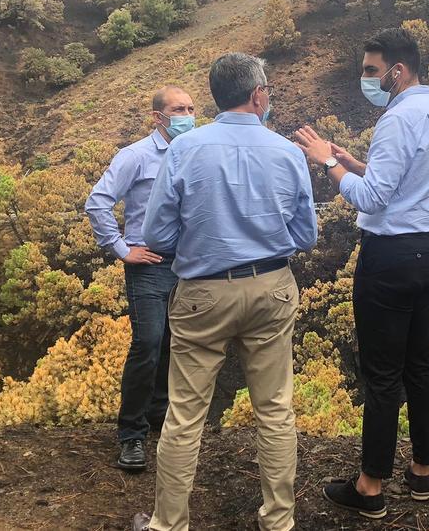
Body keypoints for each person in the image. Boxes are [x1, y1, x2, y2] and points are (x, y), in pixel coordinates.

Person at [133, 52, 318, 531]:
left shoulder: (183, 149)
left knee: (185, 415)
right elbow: (306, 235)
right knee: (275, 409)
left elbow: (155, 236)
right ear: (258, 95)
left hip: (202, 293)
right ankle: (279, 521)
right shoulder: (288, 152)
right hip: (272, 289)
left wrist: (200, 243)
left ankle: (168, 524)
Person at [293, 27, 429, 520]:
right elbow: (409, 184)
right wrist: (355, 162)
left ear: (398, 70)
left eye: (371, 71)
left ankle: (369, 486)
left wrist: (328, 164)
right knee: (419, 363)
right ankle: (421, 473)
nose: (366, 79)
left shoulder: (396, 119)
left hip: (389, 259)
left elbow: (371, 200)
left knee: (382, 376)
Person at [85, 85, 196, 471]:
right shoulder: (135, 155)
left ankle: (158, 417)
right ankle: (130, 435)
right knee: (147, 343)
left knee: (173, 343)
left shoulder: (194, 152)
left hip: (186, 264)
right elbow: (98, 200)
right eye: (178, 109)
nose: (187, 114)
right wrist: (120, 248)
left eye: (191, 107)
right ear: (158, 116)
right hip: (147, 264)